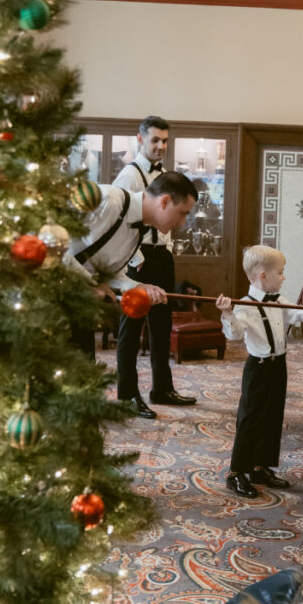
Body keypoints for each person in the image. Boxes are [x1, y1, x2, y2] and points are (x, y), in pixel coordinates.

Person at [216, 245, 303, 498]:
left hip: (278, 365)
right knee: (250, 420)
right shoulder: (243, 306)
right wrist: (227, 312)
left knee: (272, 417)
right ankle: (236, 473)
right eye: (280, 273)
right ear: (262, 276)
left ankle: (260, 467)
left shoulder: (280, 302)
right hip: (257, 369)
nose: (284, 277)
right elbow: (234, 334)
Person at [65, 171, 197, 418]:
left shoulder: (137, 233)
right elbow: (53, 243)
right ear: (165, 201)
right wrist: (88, 283)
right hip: (47, 302)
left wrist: (137, 286)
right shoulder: (109, 200)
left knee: (82, 388)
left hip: (78, 308)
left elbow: (110, 271)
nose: (182, 223)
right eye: (182, 214)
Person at [113, 115, 197, 414]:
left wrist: (168, 249)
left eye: (165, 141)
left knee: (162, 326)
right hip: (137, 258)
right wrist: (134, 263)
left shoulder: (168, 176)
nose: (160, 146)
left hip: (162, 256)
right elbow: (121, 224)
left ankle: (162, 389)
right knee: (131, 330)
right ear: (140, 140)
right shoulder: (130, 176)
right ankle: (127, 395)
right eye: (155, 140)